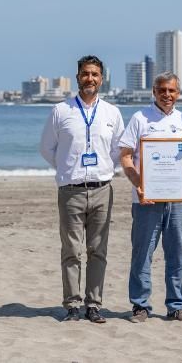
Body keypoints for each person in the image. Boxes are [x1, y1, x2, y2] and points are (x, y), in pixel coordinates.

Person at [40, 55, 124, 323]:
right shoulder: (61, 111)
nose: (90, 78)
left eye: (95, 74)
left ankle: (94, 305)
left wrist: (103, 172)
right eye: (86, 73)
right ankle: (73, 305)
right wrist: (68, 169)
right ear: (77, 77)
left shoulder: (112, 112)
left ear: (102, 79)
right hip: (70, 191)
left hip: (102, 189)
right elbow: (47, 148)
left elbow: (118, 150)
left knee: (98, 250)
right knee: (72, 250)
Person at [118, 72, 182, 323]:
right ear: (154, 91)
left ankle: (176, 305)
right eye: (162, 90)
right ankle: (140, 306)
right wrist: (139, 185)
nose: (167, 95)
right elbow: (125, 156)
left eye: (172, 91)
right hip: (146, 199)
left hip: (177, 198)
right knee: (142, 253)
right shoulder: (140, 118)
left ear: (178, 93)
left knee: (176, 252)